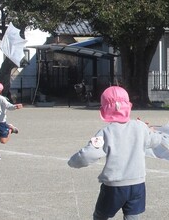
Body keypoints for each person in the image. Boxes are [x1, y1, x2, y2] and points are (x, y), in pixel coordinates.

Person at [68, 86, 162, 220]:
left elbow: (88, 155)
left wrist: (73, 162)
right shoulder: (140, 127)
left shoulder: (106, 132)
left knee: (101, 216)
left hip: (115, 186)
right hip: (138, 183)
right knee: (133, 217)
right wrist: (151, 130)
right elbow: (156, 141)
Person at [0, 81, 23, 161]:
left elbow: (9, 106)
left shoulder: (1, 99)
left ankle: (10, 129)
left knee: (3, 141)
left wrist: (15, 107)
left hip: (1, 123)